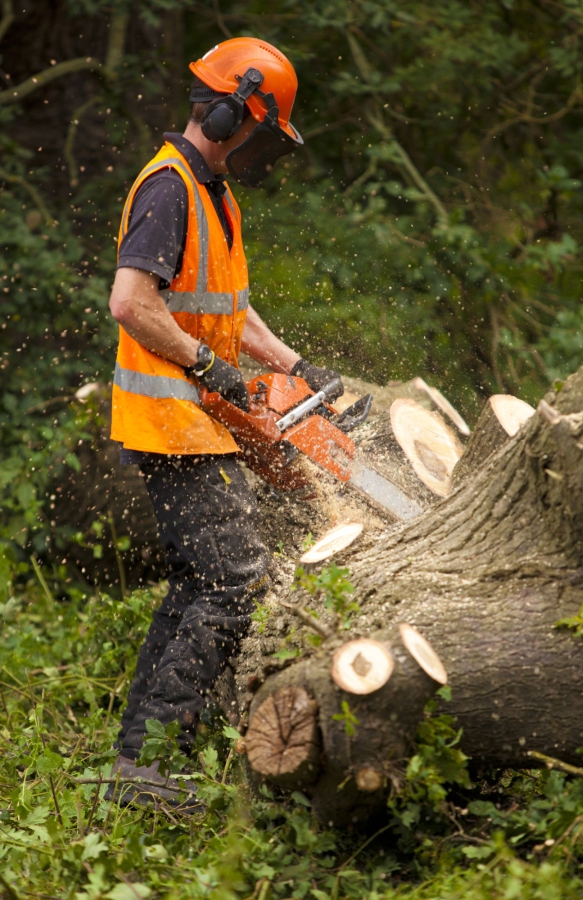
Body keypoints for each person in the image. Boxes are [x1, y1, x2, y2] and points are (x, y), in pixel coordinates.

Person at [107, 37, 344, 809]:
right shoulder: (169, 188)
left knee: (201, 577)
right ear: (230, 110)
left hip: (198, 417)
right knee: (236, 575)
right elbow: (132, 303)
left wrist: (290, 364)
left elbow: (225, 311)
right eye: (257, 127)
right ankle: (152, 770)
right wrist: (207, 369)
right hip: (171, 418)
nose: (257, 145)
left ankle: (137, 758)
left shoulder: (213, 192)